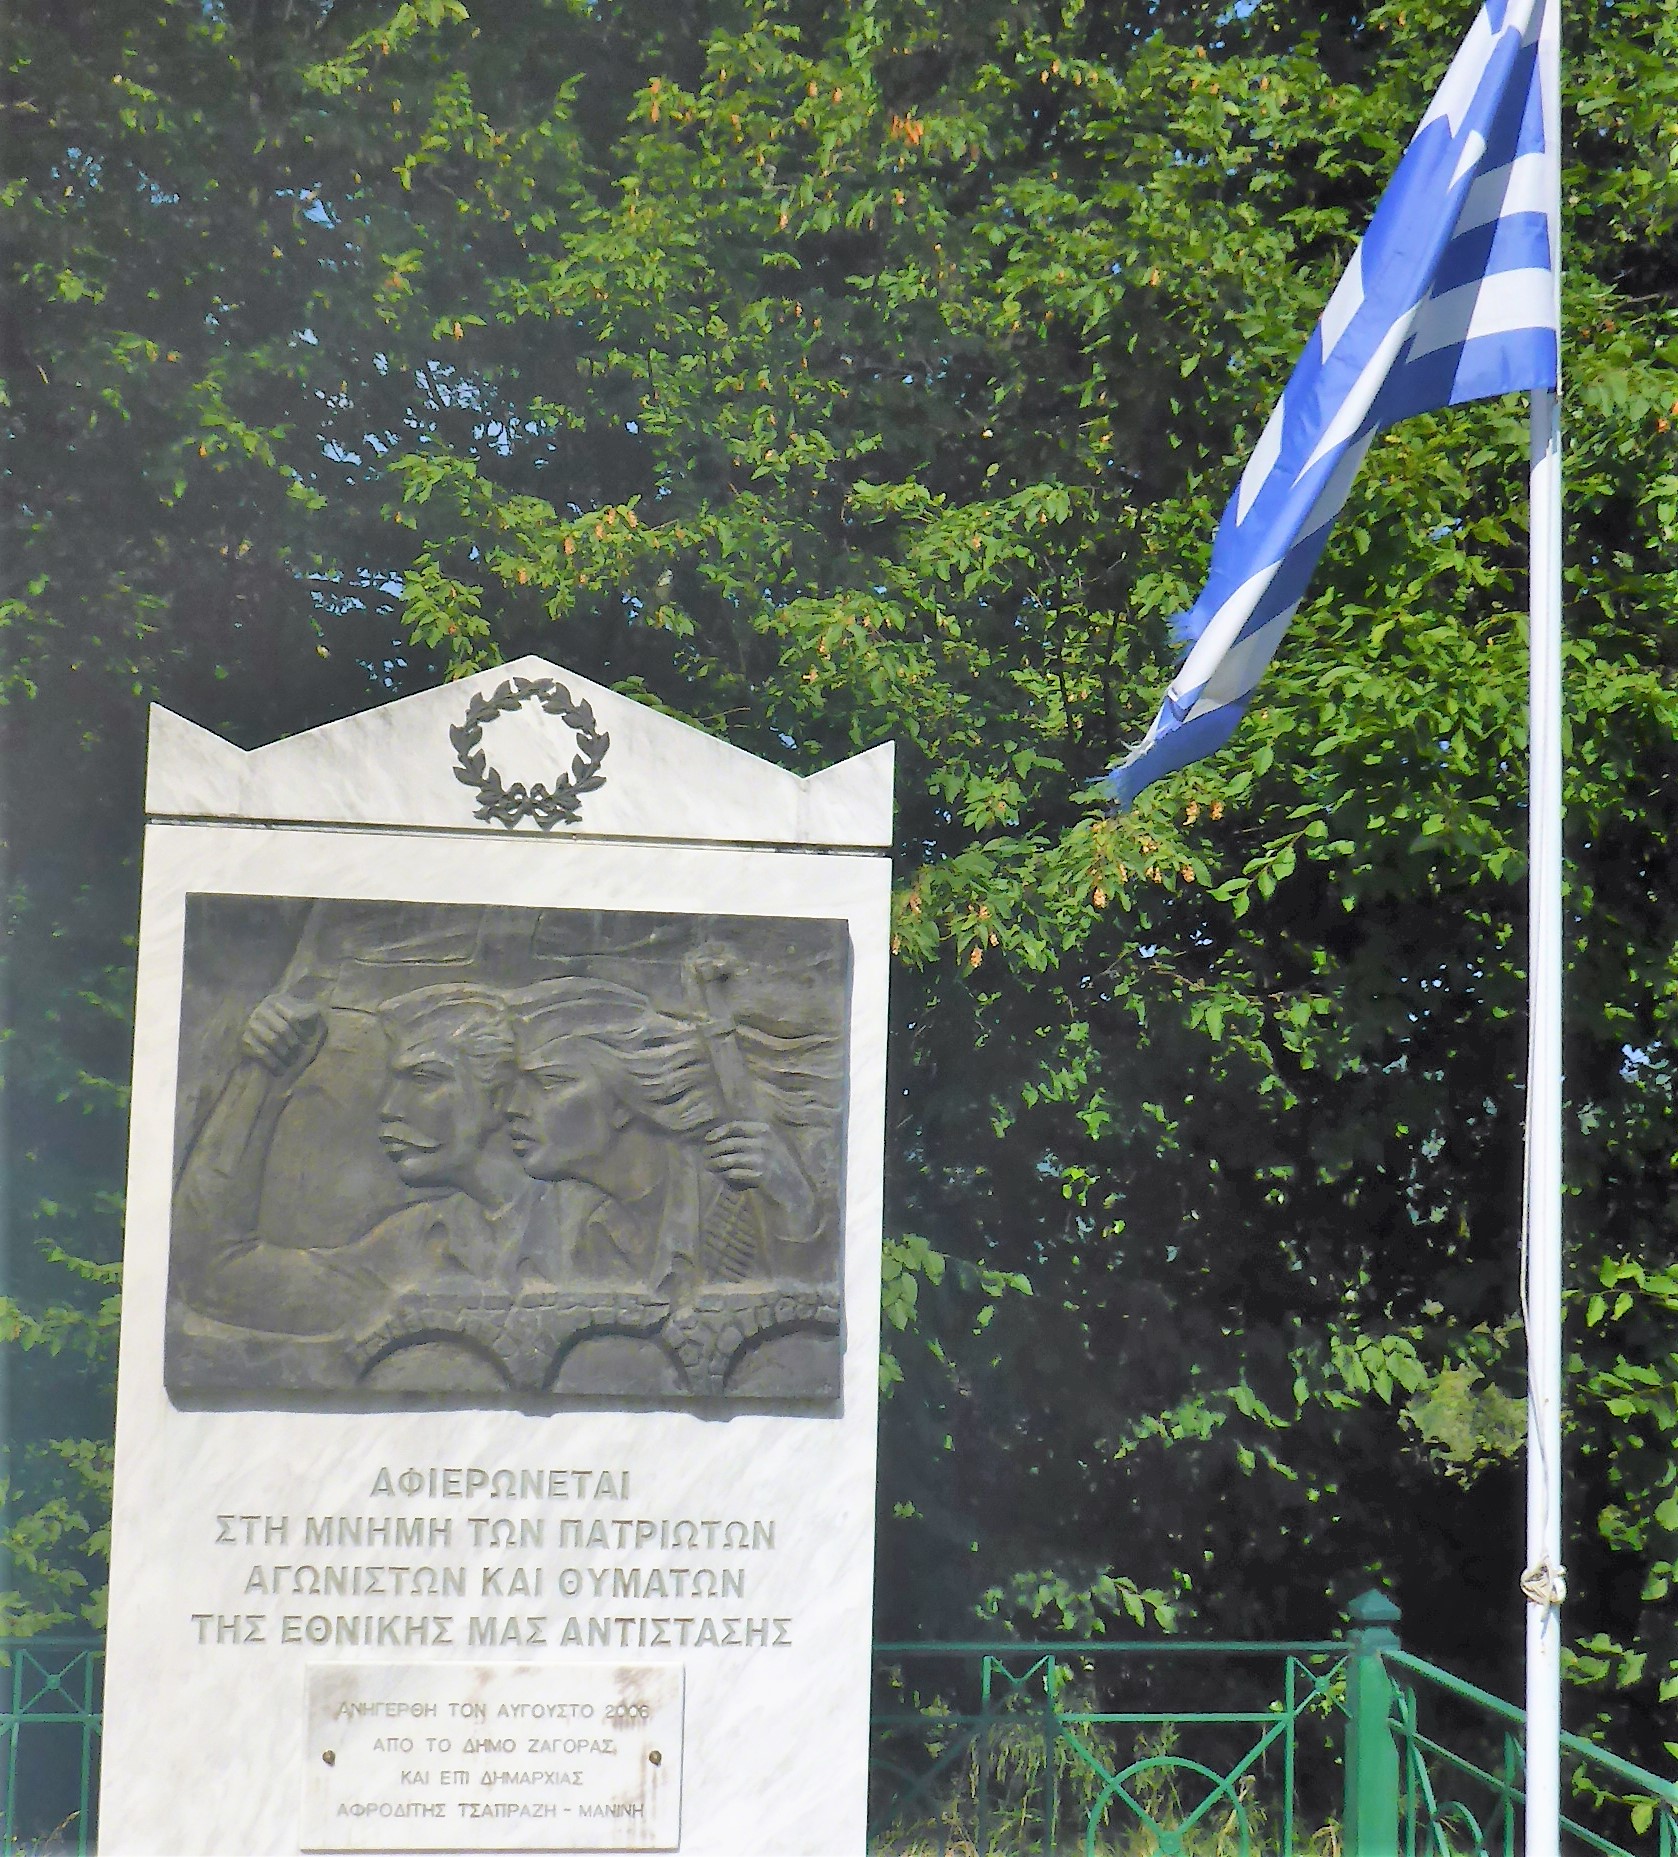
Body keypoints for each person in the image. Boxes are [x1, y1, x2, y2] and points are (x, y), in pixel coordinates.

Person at [171, 983, 564, 1346]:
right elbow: (214, 1276)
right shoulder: (422, 1239)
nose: (390, 1108)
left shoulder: (586, 1230)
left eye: (424, 1078)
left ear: (498, 1097)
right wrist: (262, 1076)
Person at [501, 977, 829, 1296]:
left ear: (624, 1100)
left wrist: (797, 1207)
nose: (515, 1107)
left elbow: (806, 1308)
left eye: (549, 1082)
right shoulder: (573, 1230)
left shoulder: (732, 1204)